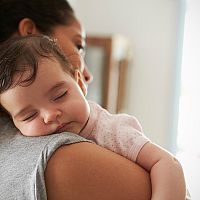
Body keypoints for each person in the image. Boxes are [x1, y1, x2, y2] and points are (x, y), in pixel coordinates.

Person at [0, 35, 187, 200]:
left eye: (59, 95)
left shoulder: (112, 129)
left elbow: (167, 163)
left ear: (80, 83)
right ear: (13, 123)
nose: (49, 116)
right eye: (30, 115)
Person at [0, 0, 152, 199]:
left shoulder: (112, 129)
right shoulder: (61, 158)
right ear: (30, 32)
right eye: (78, 45)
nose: (87, 75)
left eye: (59, 95)